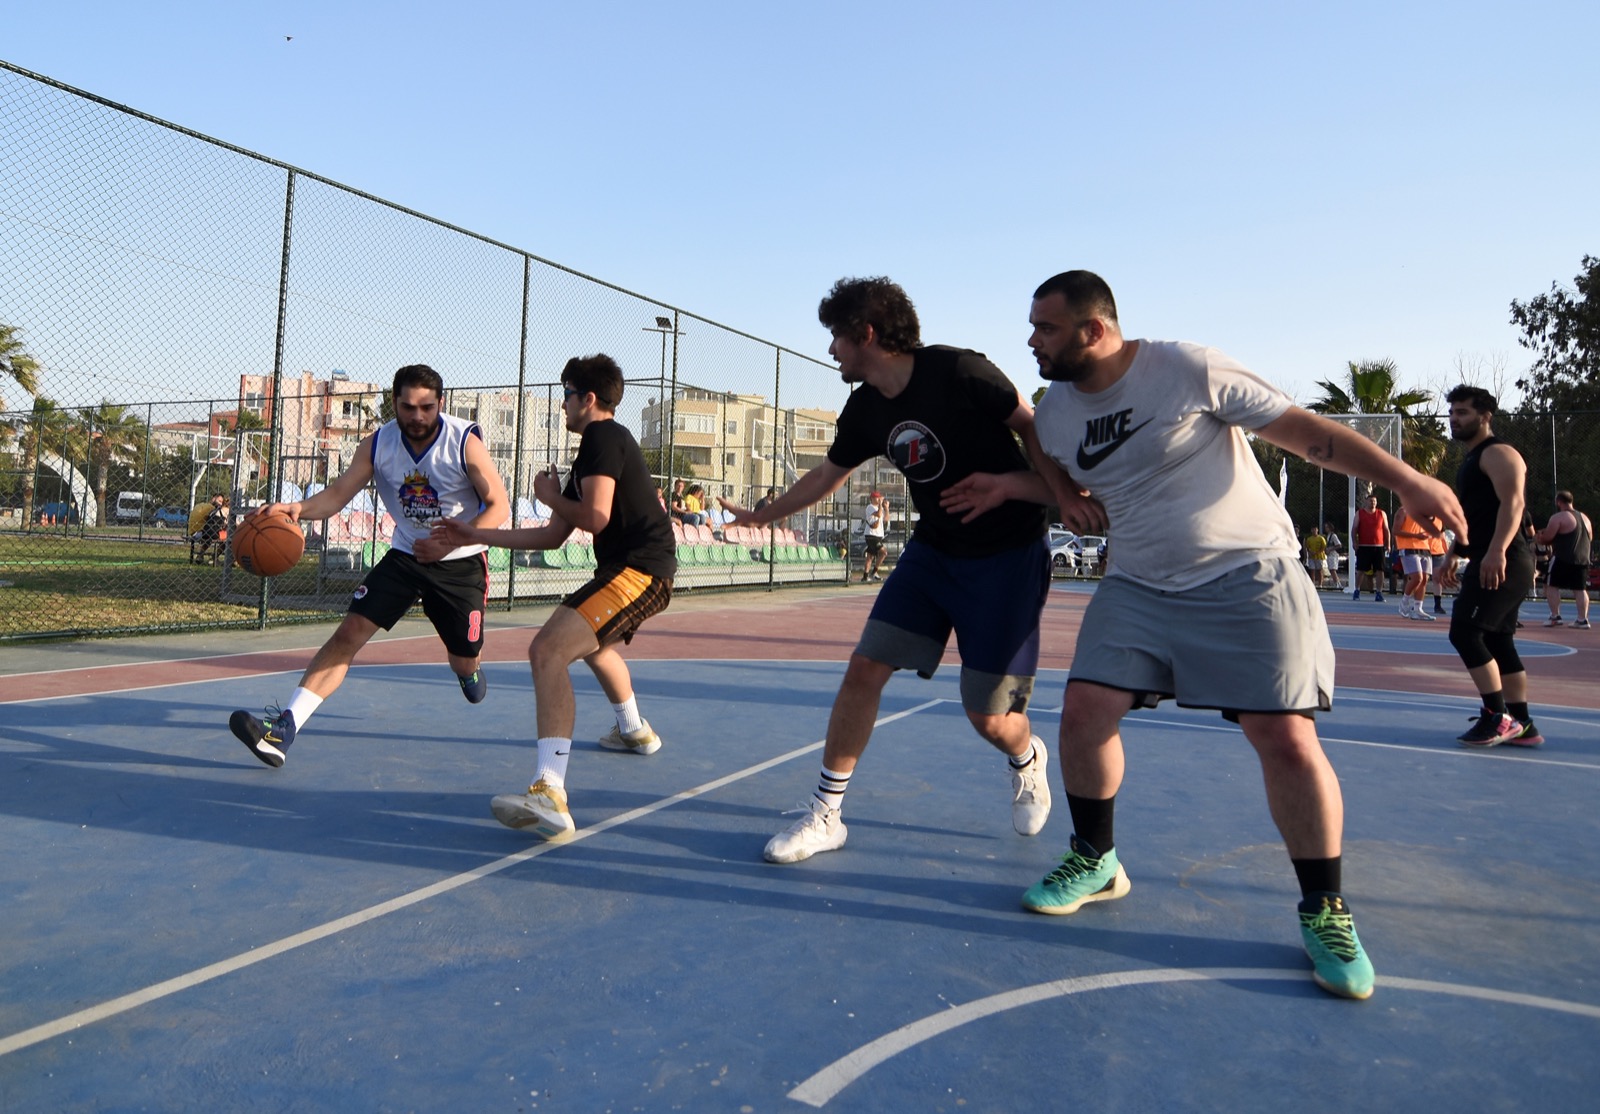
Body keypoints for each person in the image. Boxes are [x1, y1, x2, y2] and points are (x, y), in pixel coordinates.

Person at [966, 269, 1466, 1001]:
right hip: (1138, 581)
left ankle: (1324, 908)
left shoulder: (1187, 368)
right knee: (1083, 713)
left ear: (1094, 330)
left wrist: (1408, 484)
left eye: (1045, 327)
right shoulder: (1057, 412)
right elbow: (1070, 480)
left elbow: (1312, 435)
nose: (1031, 340)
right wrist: (1020, 486)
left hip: (1247, 573)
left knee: (1284, 737)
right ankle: (1095, 858)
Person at [719, 275, 1077, 864]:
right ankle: (827, 815)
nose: (831, 349)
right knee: (864, 668)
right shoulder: (863, 409)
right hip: (933, 556)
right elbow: (825, 477)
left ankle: (1026, 756)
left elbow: (1031, 428)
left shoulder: (962, 372)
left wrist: (1050, 493)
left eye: (837, 336)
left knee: (989, 716)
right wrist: (761, 515)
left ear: (866, 333)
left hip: (1006, 556)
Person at [434, 355, 677, 841]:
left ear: (589, 399)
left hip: (640, 571)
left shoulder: (604, 437)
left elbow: (596, 518)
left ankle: (551, 792)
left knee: (547, 649)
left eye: (567, 394)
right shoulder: (595, 449)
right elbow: (551, 538)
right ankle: (634, 729)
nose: (563, 403)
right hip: (634, 569)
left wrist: (547, 495)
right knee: (593, 647)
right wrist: (473, 535)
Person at [228, 364, 510, 767]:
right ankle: (283, 732)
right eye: (408, 407)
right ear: (393, 403)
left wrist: (452, 539)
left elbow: (498, 505)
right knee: (349, 633)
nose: (417, 416)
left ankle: (467, 669)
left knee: (464, 658)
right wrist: (298, 508)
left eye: (427, 407)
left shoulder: (463, 441)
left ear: (440, 404)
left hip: (460, 564)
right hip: (406, 555)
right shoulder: (379, 444)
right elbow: (339, 494)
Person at [1439, 385, 1542, 747]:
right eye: (1452, 413)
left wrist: (1497, 551)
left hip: (1505, 559)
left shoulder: (1499, 453)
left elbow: (1512, 505)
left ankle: (1497, 717)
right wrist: (1455, 552)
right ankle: (1523, 724)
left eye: (1463, 412)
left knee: (1465, 633)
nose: (1454, 419)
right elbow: (1475, 515)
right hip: (1491, 556)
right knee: (1498, 640)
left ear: (1485, 416)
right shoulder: (1471, 459)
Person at [1536, 491, 1592, 629]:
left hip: (1563, 557)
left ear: (1558, 502)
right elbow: (1589, 538)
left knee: (1551, 585)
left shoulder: (1558, 517)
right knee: (1580, 589)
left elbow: (1547, 538)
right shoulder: (1585, 518)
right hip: (1582, 558)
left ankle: (1555, 616)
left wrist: (1539, 538)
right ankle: (1582, 619)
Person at [1393, 506, 1439, 621]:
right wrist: (1416, 536)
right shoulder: (1403, 511)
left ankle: (1418, 609)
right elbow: (1395, 530)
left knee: (1424, 579)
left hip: (1425, 547)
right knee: (1416, 578)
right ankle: (1404, 602)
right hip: (1408, 548)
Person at [1352, 494, 1389, 601]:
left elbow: (1386, 530)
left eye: (1374, 501)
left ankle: (1379, 593)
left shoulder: (1382, 513)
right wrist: (1355, 542)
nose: (1372, 503)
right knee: (1361, 570)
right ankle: (1357, 590)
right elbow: (1354, 529)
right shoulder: (1360, 513)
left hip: (1379, 546)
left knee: (1380, 570)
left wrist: (1388, 544)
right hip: (1364, 546)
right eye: (1370, 501)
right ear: (1366, 502)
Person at [860, 490, 888, 582]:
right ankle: (874, 572)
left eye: (879, 497)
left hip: (878, 535)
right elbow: (879, 514)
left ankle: (865, 576)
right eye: (876, 497)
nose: (879, 499)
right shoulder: (870, 507)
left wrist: (886, 508)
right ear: (872, 498)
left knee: (870, 557)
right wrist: (880, 504)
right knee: (884, 552)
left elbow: (886, 519)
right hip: (871, 535)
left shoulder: (880, 508)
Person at [1323, 523, 1345, 590]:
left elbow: (1339, 545)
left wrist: (1330, 549)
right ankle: (1337, 583)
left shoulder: (1333, 536)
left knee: (1333, 569)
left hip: (1333, 554)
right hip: (1329, 555)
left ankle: (1337, 584)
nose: (1325, 529)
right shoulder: (1328, 536)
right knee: (1331, 569)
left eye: (1327, 527)